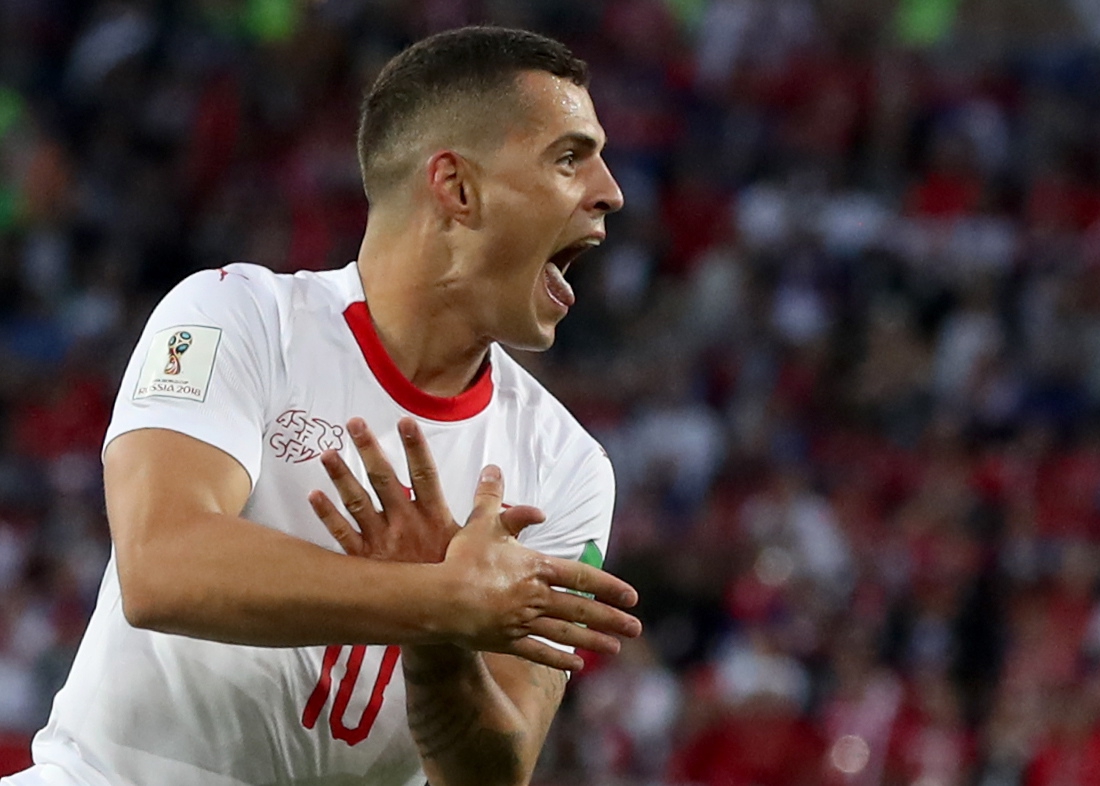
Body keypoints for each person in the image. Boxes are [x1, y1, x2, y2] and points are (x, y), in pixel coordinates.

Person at [2, 25, 639, 786]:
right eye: (570, 157)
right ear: (457, 188)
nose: (610, 191)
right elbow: (161, 564)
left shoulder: (567, 468)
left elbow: (492, 775)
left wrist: (439, 644)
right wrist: (434, 596)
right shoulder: (233, 315)